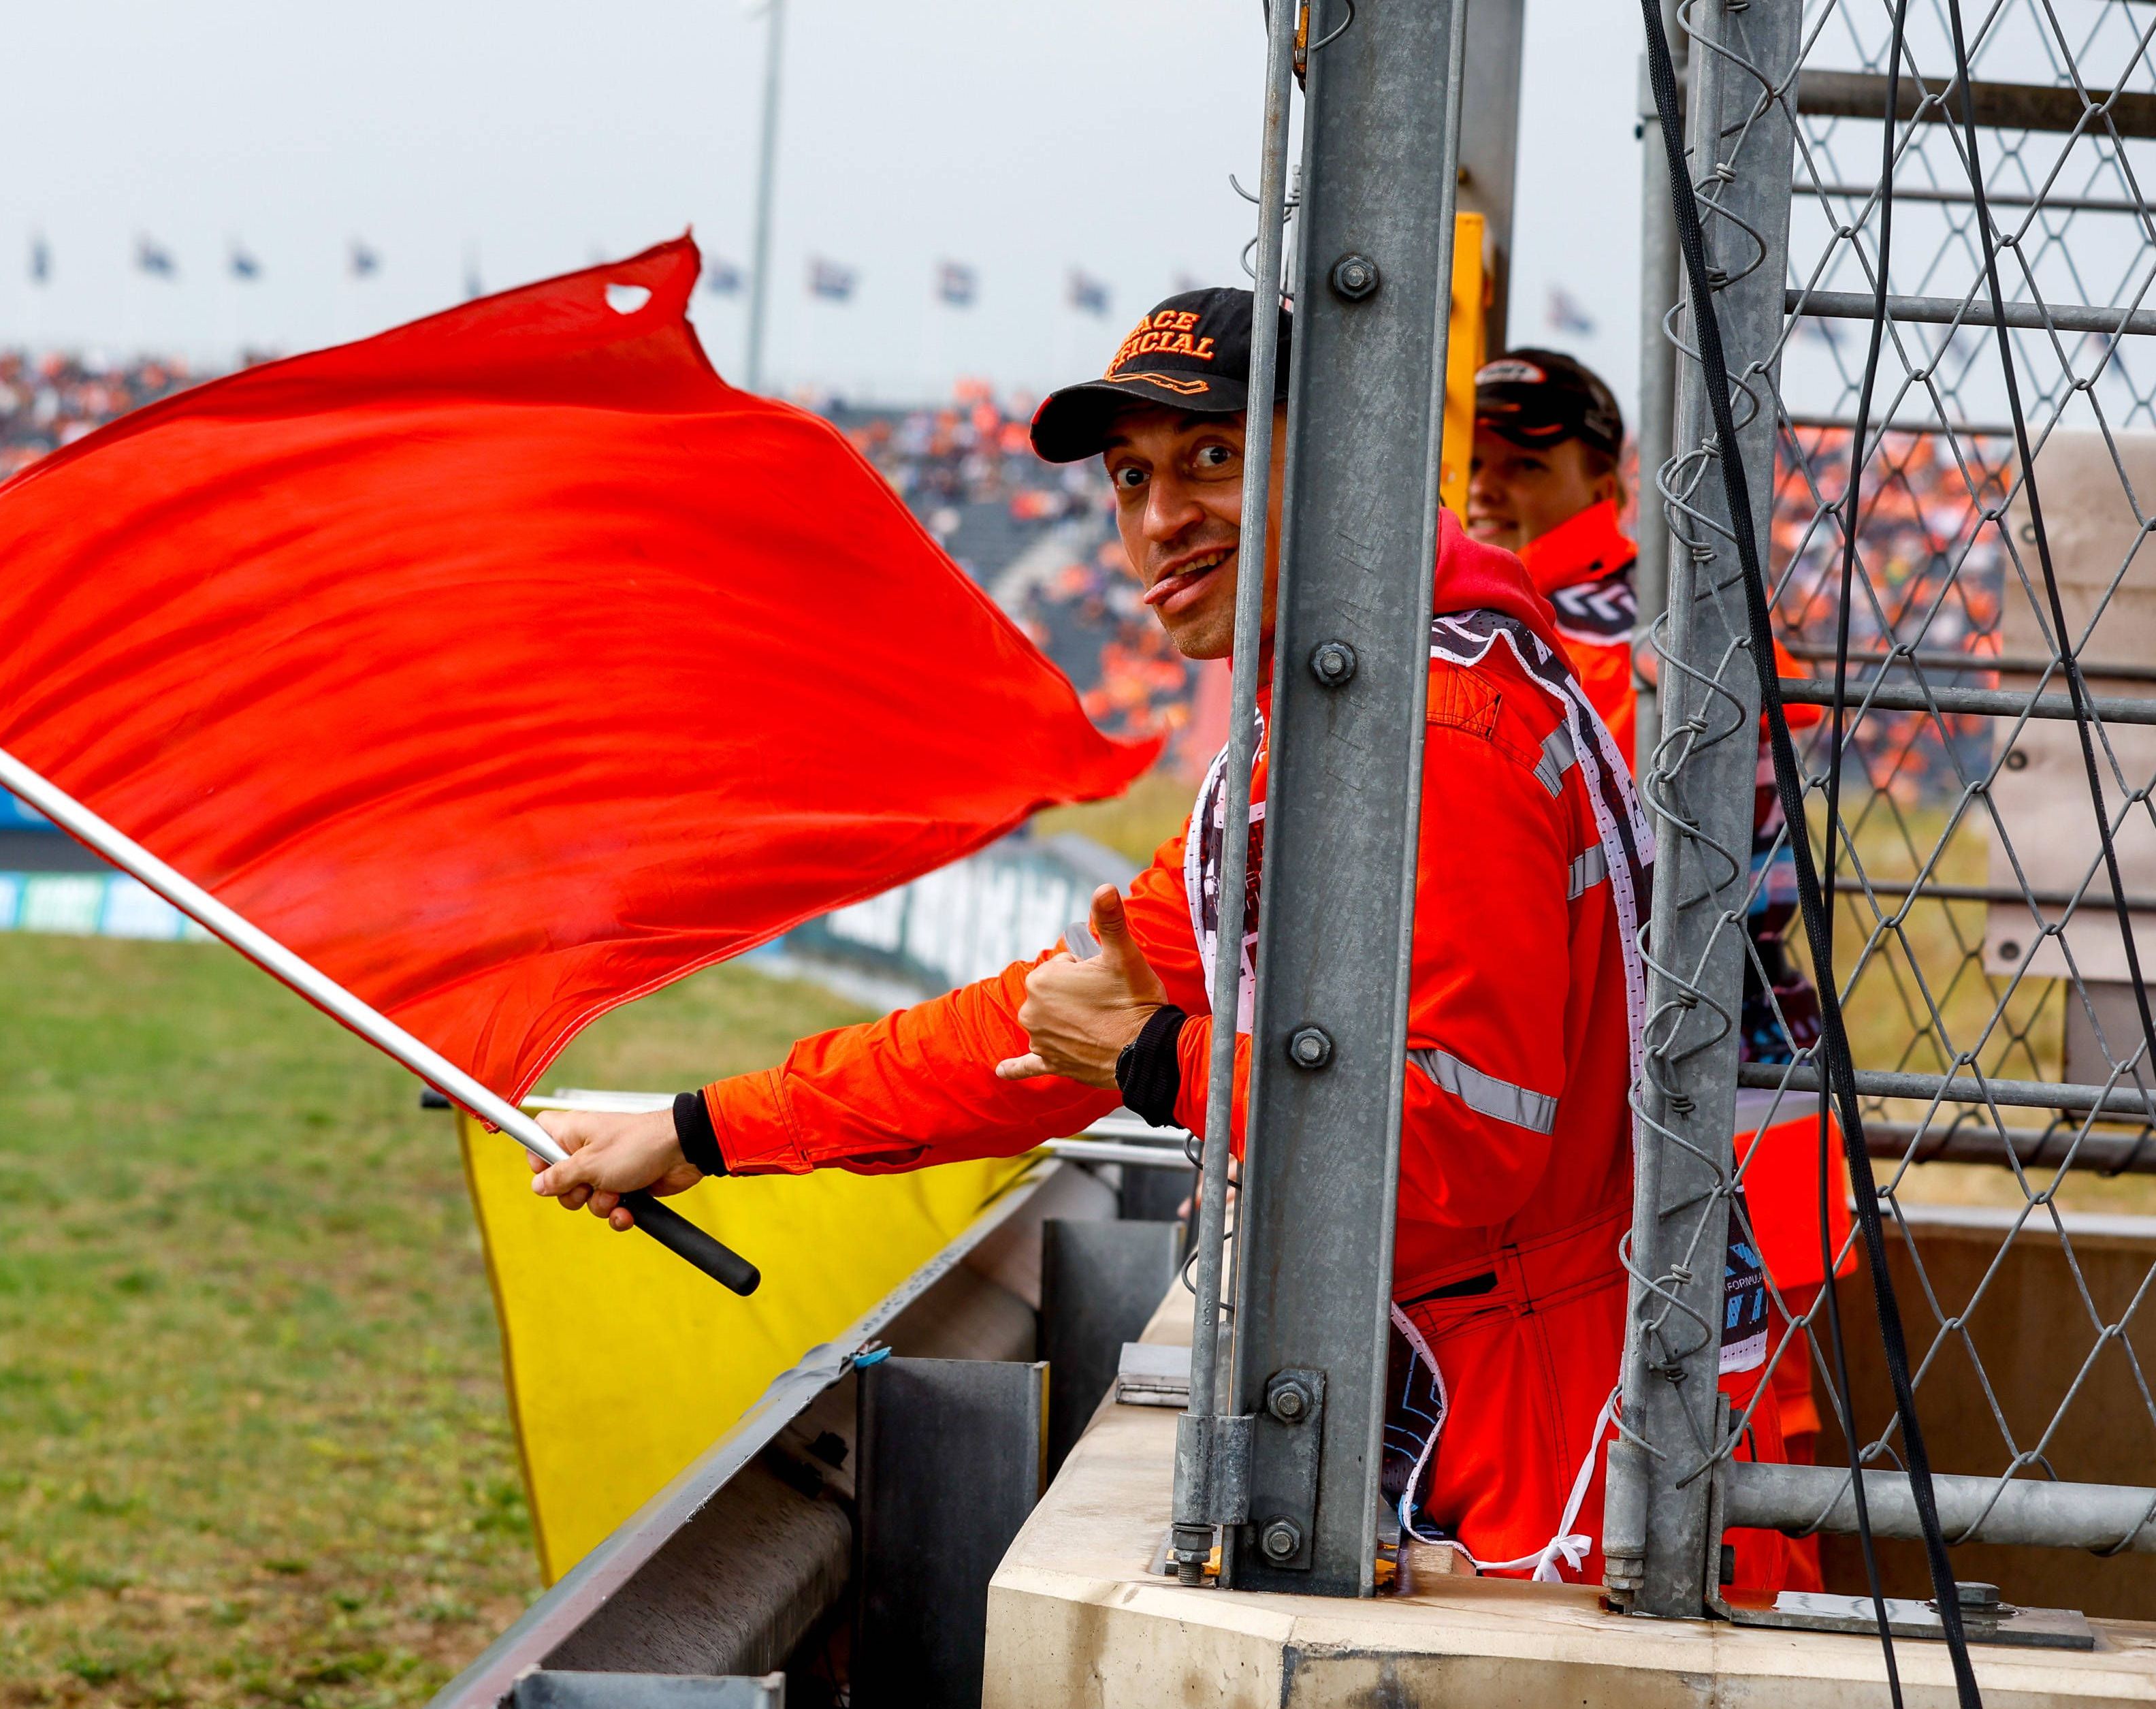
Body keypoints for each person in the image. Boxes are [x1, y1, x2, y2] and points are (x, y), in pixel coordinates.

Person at [531, 290, 1650, 1584]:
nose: (1158, 518)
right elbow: (1035, 1026)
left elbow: (1464, 1149)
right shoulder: (1357, 713)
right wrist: (706, 1128)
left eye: (1213, 459)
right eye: (1131, 476)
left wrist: (1157, 1059)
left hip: (1541, 1469)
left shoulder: (1436, 729)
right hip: (1494, 1414)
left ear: (1347, 458)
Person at [1463, 350, 1839, 1595]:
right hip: (1727, 1099)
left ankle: (1775, 1650)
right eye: (1475, 460)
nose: (1489, 488)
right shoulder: (1647, 610)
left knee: (1732, 1430)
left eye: (1526, 462)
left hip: (1689, 1106)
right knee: (1744, 1426)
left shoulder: (1578, 636)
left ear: (1606, 473)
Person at [1465, 350, 1641, 761]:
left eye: (1526, 464)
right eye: (1471, 463)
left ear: (1603, 492)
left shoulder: (1614, 654)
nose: (1480, 487)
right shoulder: (1461, 602)